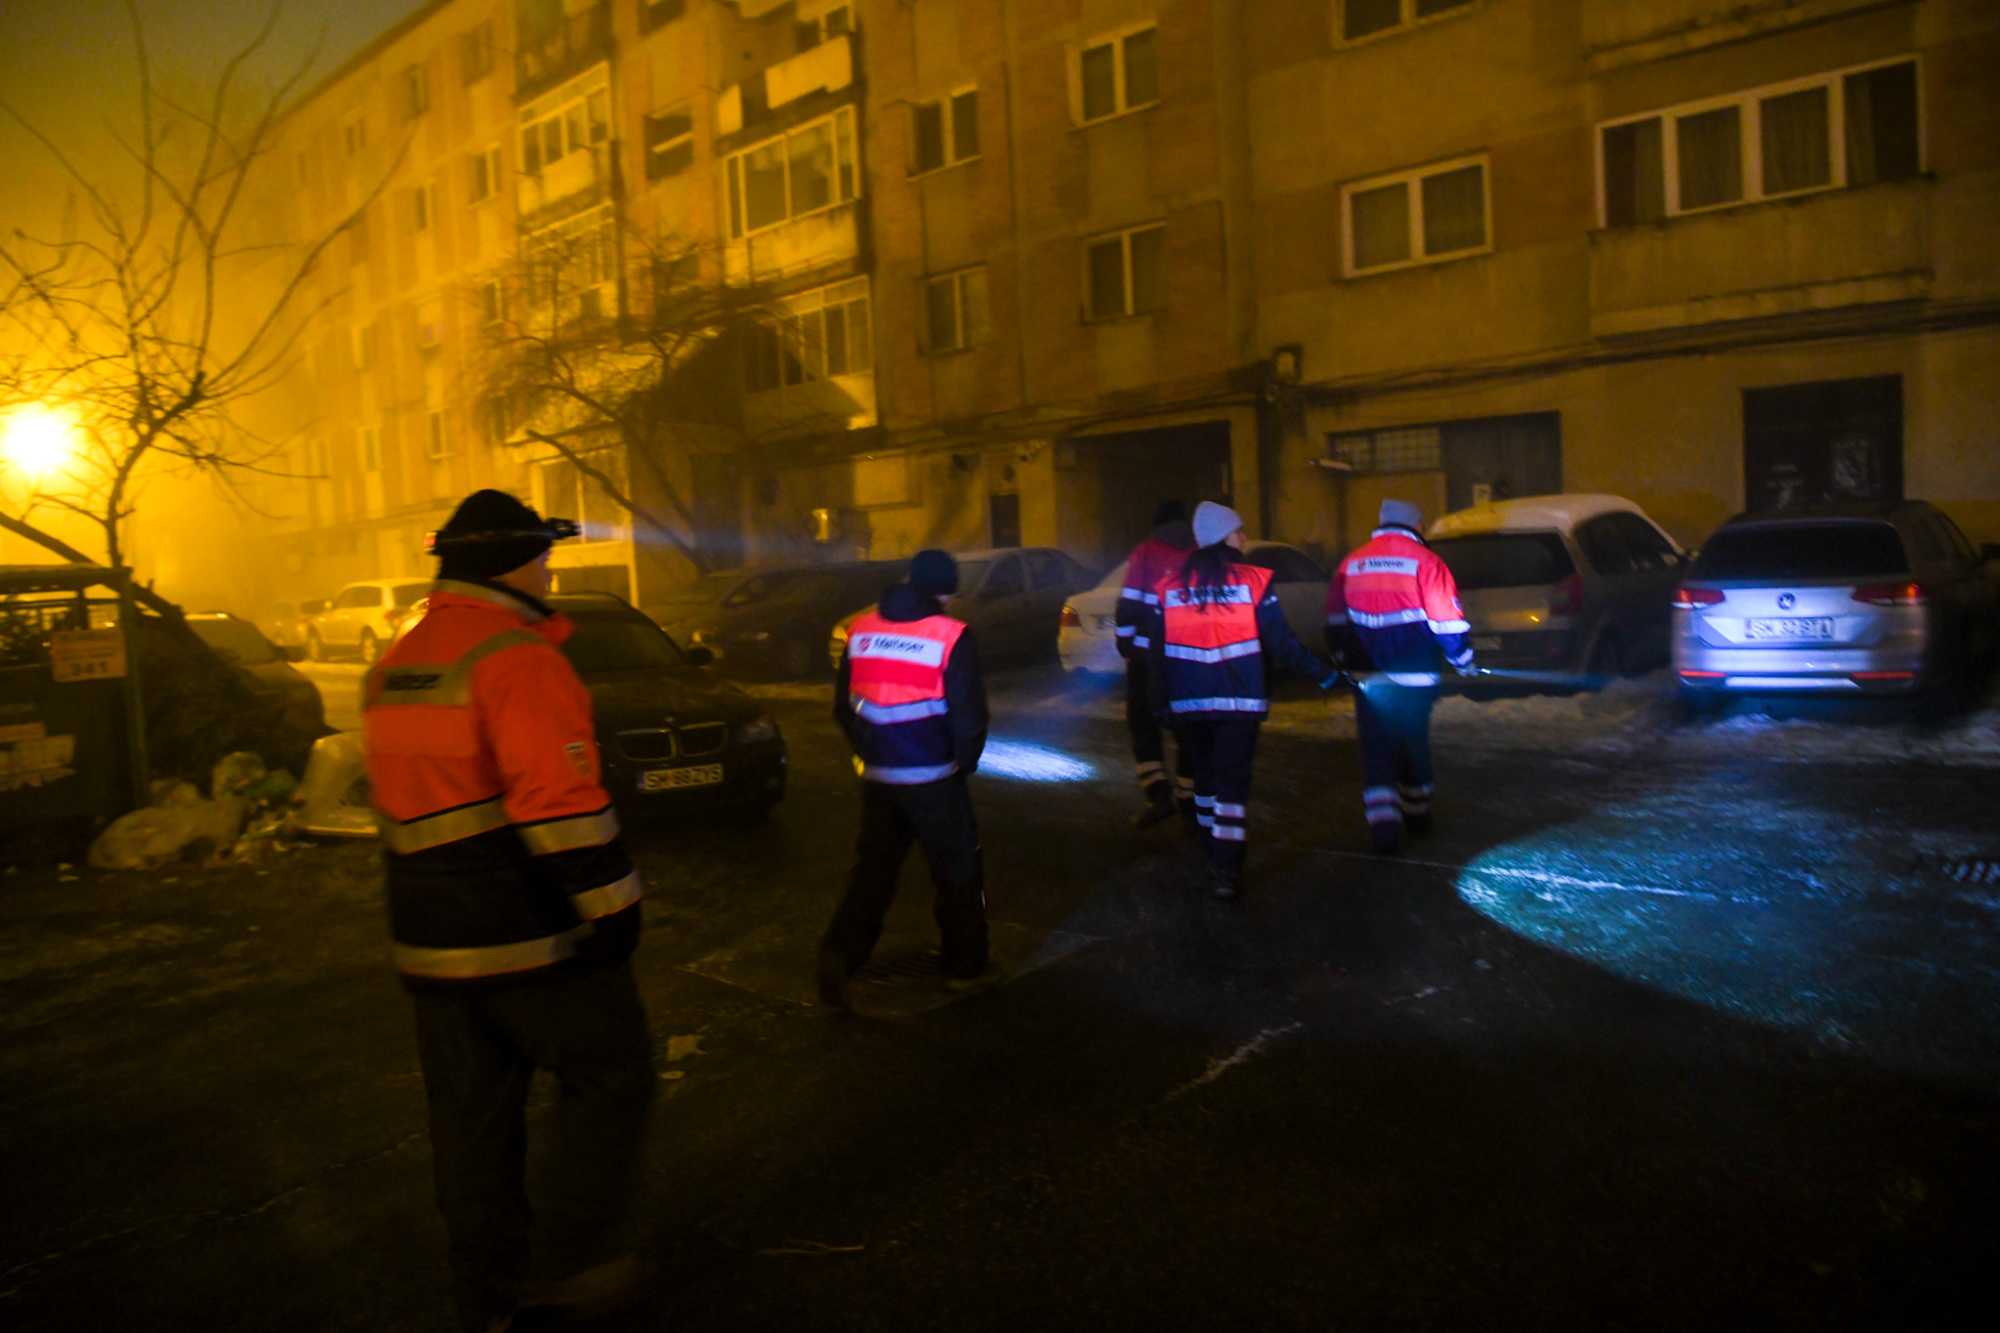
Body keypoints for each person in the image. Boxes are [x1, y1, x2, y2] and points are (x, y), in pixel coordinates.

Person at [363, 489, 652, 1333]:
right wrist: (616, 910)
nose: (549, 570)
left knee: (470, 1121)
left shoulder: (402, 659)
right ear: (510, 563)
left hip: (431, 946)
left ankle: (486, 1292)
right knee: (613, 1073)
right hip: (528, 937)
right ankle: (572, 1266)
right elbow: (559, 806)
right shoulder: (517, 658)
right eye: (541, 556)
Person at [819, 548, 991, 1007]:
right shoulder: (950, 636)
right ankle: (963, 968)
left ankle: (838, 958)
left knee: (872, 873)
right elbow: (969, 717)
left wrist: (868, 753)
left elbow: (843, 707)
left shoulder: (862, 631)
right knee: (957, 874)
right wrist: (962, 763)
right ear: (941, 591)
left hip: (879, 779)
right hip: (935, 778)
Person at [1147, 502, 1340, 900]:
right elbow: (1282, 644)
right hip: (1238, 705)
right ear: (1223, 536)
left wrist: (1159, 700)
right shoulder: (1253, 582)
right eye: (1239, 531)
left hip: (1189, 705)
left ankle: (1208, 846)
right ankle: (1227, 868)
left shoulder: (1169, 585)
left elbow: (1157, 652)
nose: (1245, 537)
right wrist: (1323, 674)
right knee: (1232, 786)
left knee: (1204, 781)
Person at [1324, 497, 1477, 854]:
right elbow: (1448, 623)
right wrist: (1463, 660)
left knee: (1376, 750)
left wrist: (1345, 660)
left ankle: (1383, 830)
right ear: (1416, 526)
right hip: (1415, 676)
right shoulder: (1426, 562)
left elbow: (1333, 622)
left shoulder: (1352, 561)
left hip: (1369, 679)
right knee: (1412, 743)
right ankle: (1418, 814)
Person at [1114, 500, 1197, 828]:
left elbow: (1129, 604)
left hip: (1147, 658)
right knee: (1186, 728)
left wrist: (1125, 642)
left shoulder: (1145, 552)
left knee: (1143, 724)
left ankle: (1158, 796)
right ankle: (1189, 798)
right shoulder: (1197, 552)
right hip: (1187, 658)